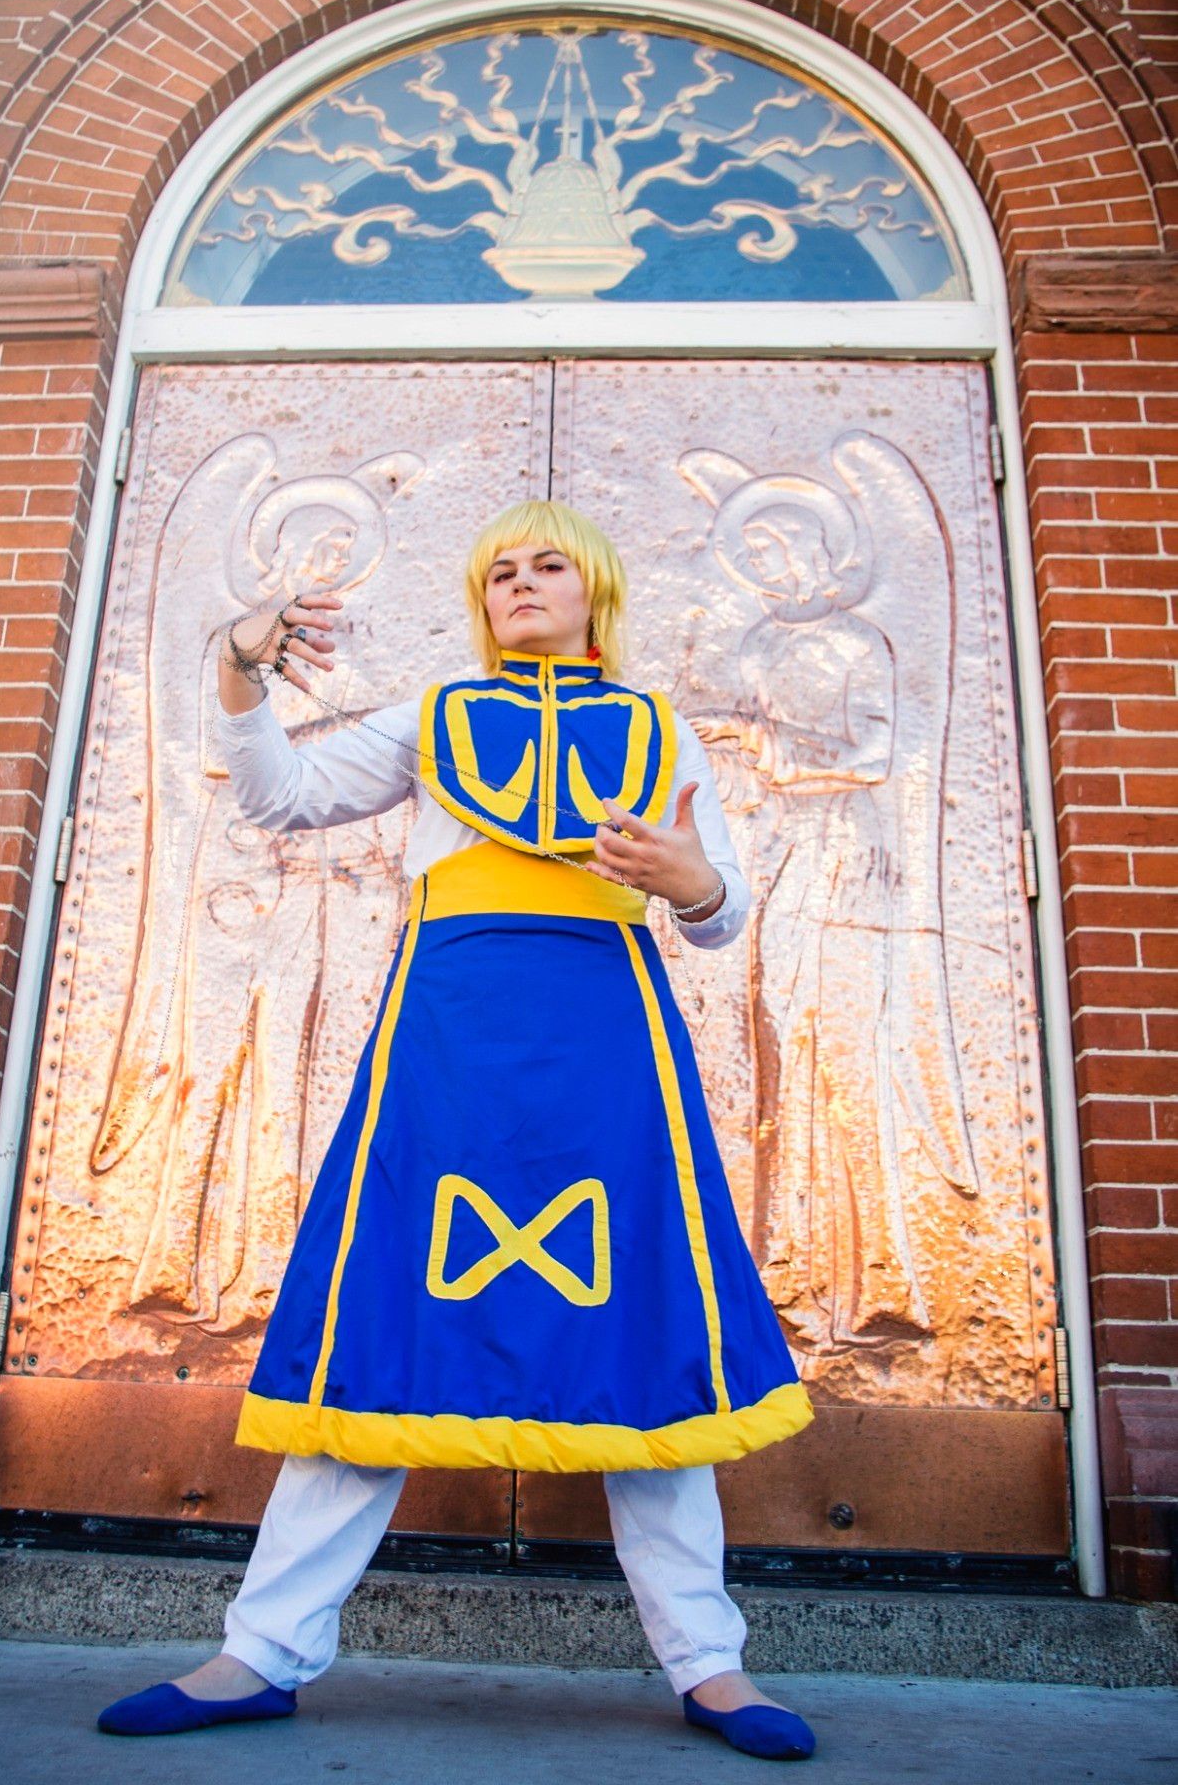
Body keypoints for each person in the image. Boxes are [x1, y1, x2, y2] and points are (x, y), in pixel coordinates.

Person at [98, 499, 816, 1761]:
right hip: (444, 1049)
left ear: (593, 588)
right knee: (387, 1320)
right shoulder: (427, 717)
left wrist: (693, 882)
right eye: (498, 570)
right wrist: (238, 662)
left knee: (636, 1335)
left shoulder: (661, 733)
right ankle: (259, 1651)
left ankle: (710, 1665)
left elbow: (717, 913)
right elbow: (279, 799)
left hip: (609, 1049)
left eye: (547, 565)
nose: (520, 583)